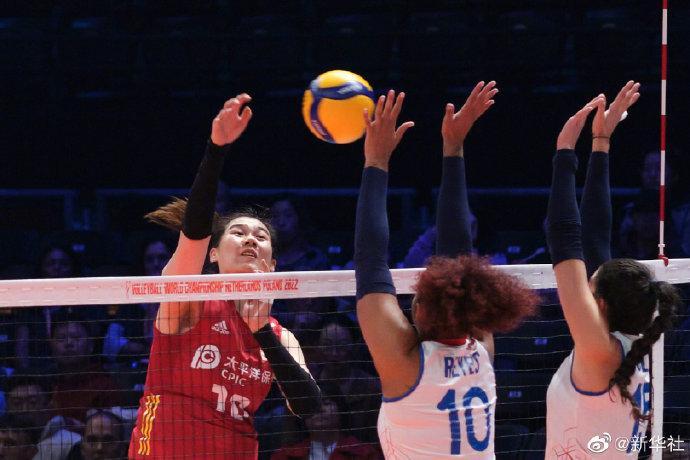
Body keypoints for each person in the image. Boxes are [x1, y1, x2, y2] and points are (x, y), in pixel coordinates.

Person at [128, 93, 321, 459]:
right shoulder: (189, 299)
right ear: (213, 254)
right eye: (238, 232)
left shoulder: (281, 335)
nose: (250, 239)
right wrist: (216, 149)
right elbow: (194, 232)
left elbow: (308, 405)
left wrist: (261, 332)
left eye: (261, 236)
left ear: (272, 264)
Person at [353, 84, 538, 458]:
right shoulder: (480, 350)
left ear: (422, 312)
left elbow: (374, 258)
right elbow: (375, 261)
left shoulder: (410, 365)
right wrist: (451, 148)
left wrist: (377, 160)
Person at [544, 81, 681, 458]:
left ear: (601, 303)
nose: (588, 275)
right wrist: (601, 144)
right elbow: (593, 240)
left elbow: (565, 237)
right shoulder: (627, 345)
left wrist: (564, 151)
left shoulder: (600, 352)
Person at [270, 396, 383, 460]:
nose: (320, 409)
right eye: (312, 405)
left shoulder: (366, 454)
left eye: (327, 403)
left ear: (341, 411)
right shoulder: (283, 456)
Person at [5, 374, 82, 460]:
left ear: (49, 406)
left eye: (32, 402)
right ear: (7, 408)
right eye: (17, 403)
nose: (24, 409)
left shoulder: (70, 443)